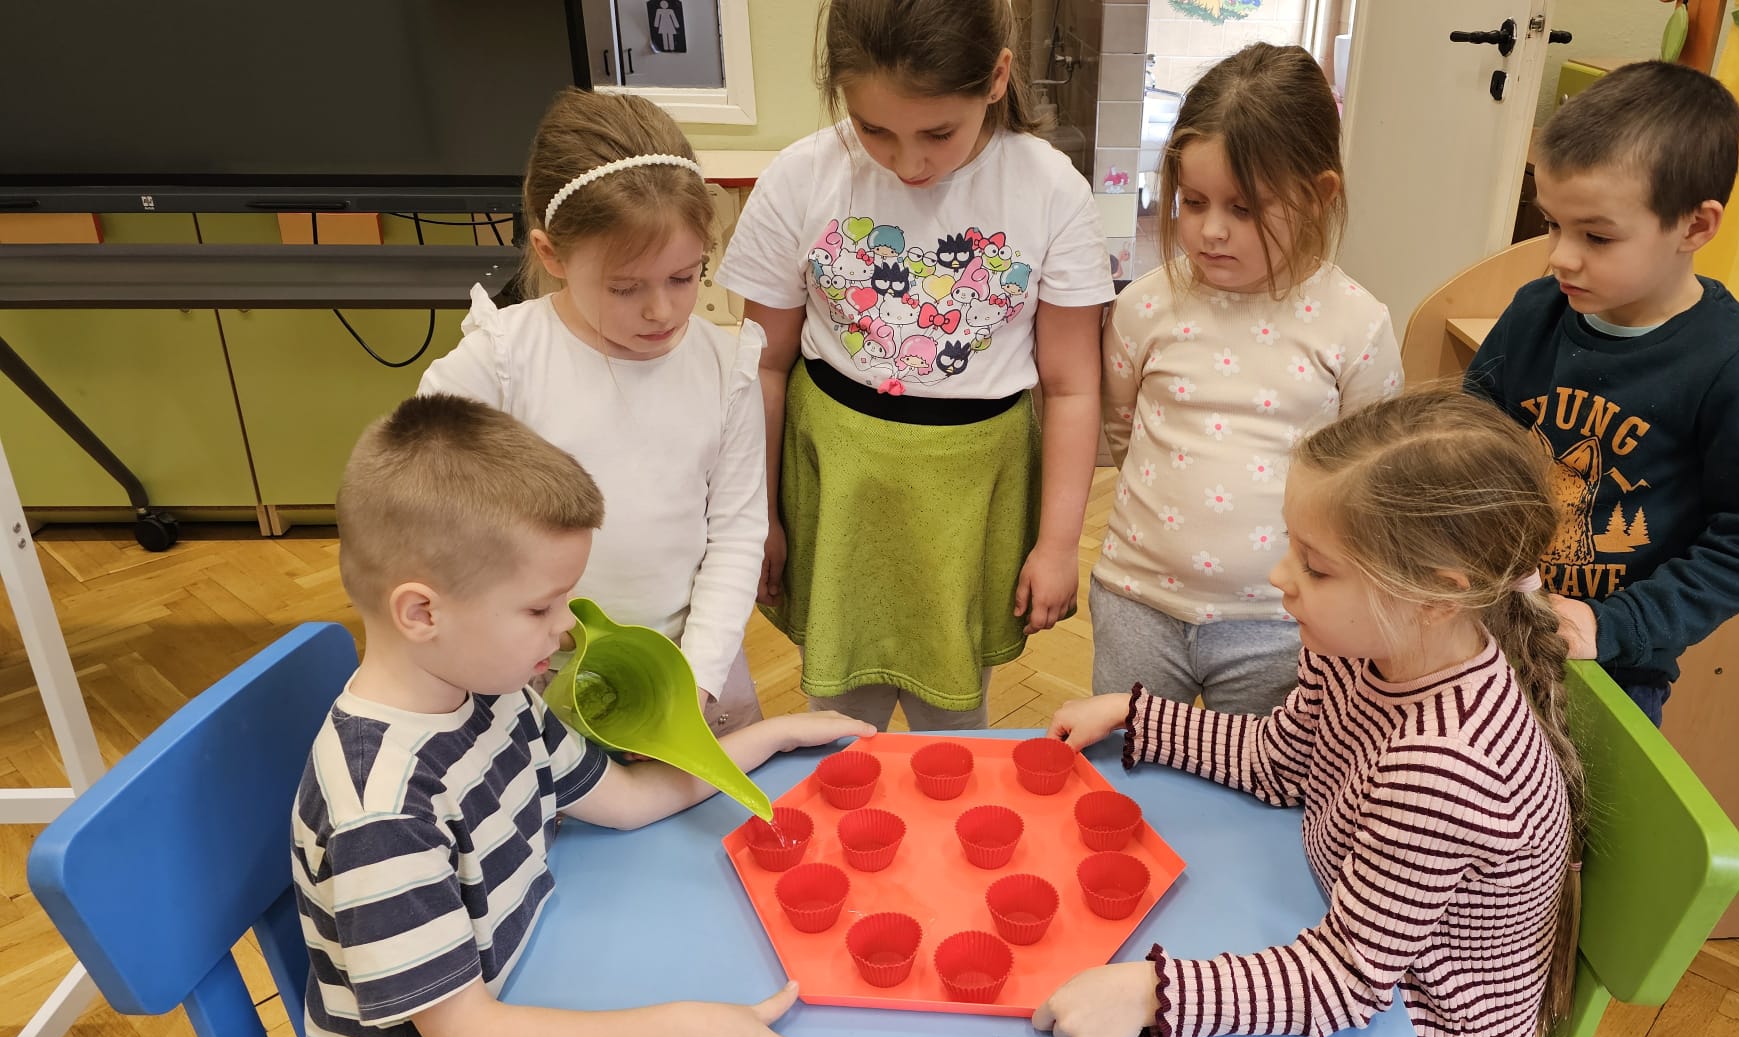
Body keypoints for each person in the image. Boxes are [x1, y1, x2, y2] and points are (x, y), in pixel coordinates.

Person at [294, 395, 870, 1037]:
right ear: (422, 613)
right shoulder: (382, 810)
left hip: (525, 988)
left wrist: (767, 739)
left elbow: (625, 800)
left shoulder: (495, 691)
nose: (567, 628)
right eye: (541, 608)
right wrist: (687, 1033)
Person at [1036, 393, 1584, 1037]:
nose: (1280, 575)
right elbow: (1281, 763)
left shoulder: (1444, 766)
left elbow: (1347, 981)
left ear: (1436, 596)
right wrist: (1138, 717)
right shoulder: (1361, 645)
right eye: (1291, 545)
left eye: (1316, 568)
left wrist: (1154, 993)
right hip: (1333, 921)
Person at [716, 0, 1114, 730]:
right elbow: (763, 367)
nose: (908, 164)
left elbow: (1072, 386)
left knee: (954, 720)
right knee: (838, 718)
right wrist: (759, 514)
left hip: (972, 492)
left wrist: (1059, 545)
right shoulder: (801, 178)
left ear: (996, 79)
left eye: (937, 133)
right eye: (874, 130)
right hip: (840, 484)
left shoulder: (1051, 189)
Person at [1466, 61, 1739, 725]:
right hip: (1485, 632)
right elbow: (1467, 445)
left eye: (1596, 236)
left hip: (1612, 672)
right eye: (1552, 225)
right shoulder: (1534, 312)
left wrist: (1613, 624)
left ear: (1695, 227)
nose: (1560, 257)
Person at [420, 90, 767, 735]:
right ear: (551, 255)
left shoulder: (727, 369)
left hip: (687, 667)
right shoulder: (501, 360)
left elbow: (737, 535)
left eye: (685, 277)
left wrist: (695, 679)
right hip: (529, 675)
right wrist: (509, 622)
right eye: (625, 288)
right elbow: (422, 506)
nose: (662, 311)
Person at [1093, 42, 1403, 714]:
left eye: (1244, 208)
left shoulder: (1356, 323)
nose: (1211, 230)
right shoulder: (1143, 307)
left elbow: (1368, 476)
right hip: (1137, 601)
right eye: (1193, 201)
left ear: (1318, 196)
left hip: (1282, 621)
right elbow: (1123, 430)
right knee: (1121, 764)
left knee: (1261, 770)